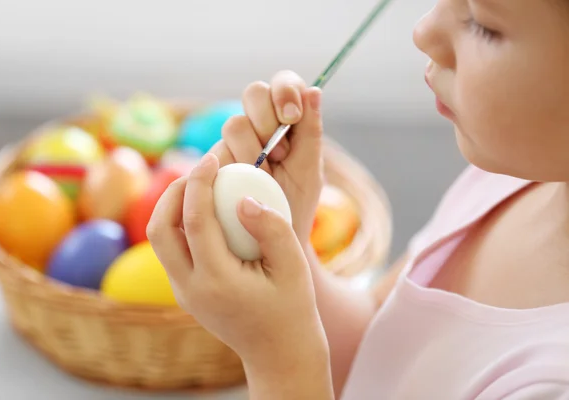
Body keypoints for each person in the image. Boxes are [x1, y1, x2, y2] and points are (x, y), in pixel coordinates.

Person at [146, 0, 569, 398]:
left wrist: (280, 364)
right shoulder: (508, 182)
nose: (424, 31)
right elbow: (376, 355)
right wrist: (288, 254)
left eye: (483, 24)